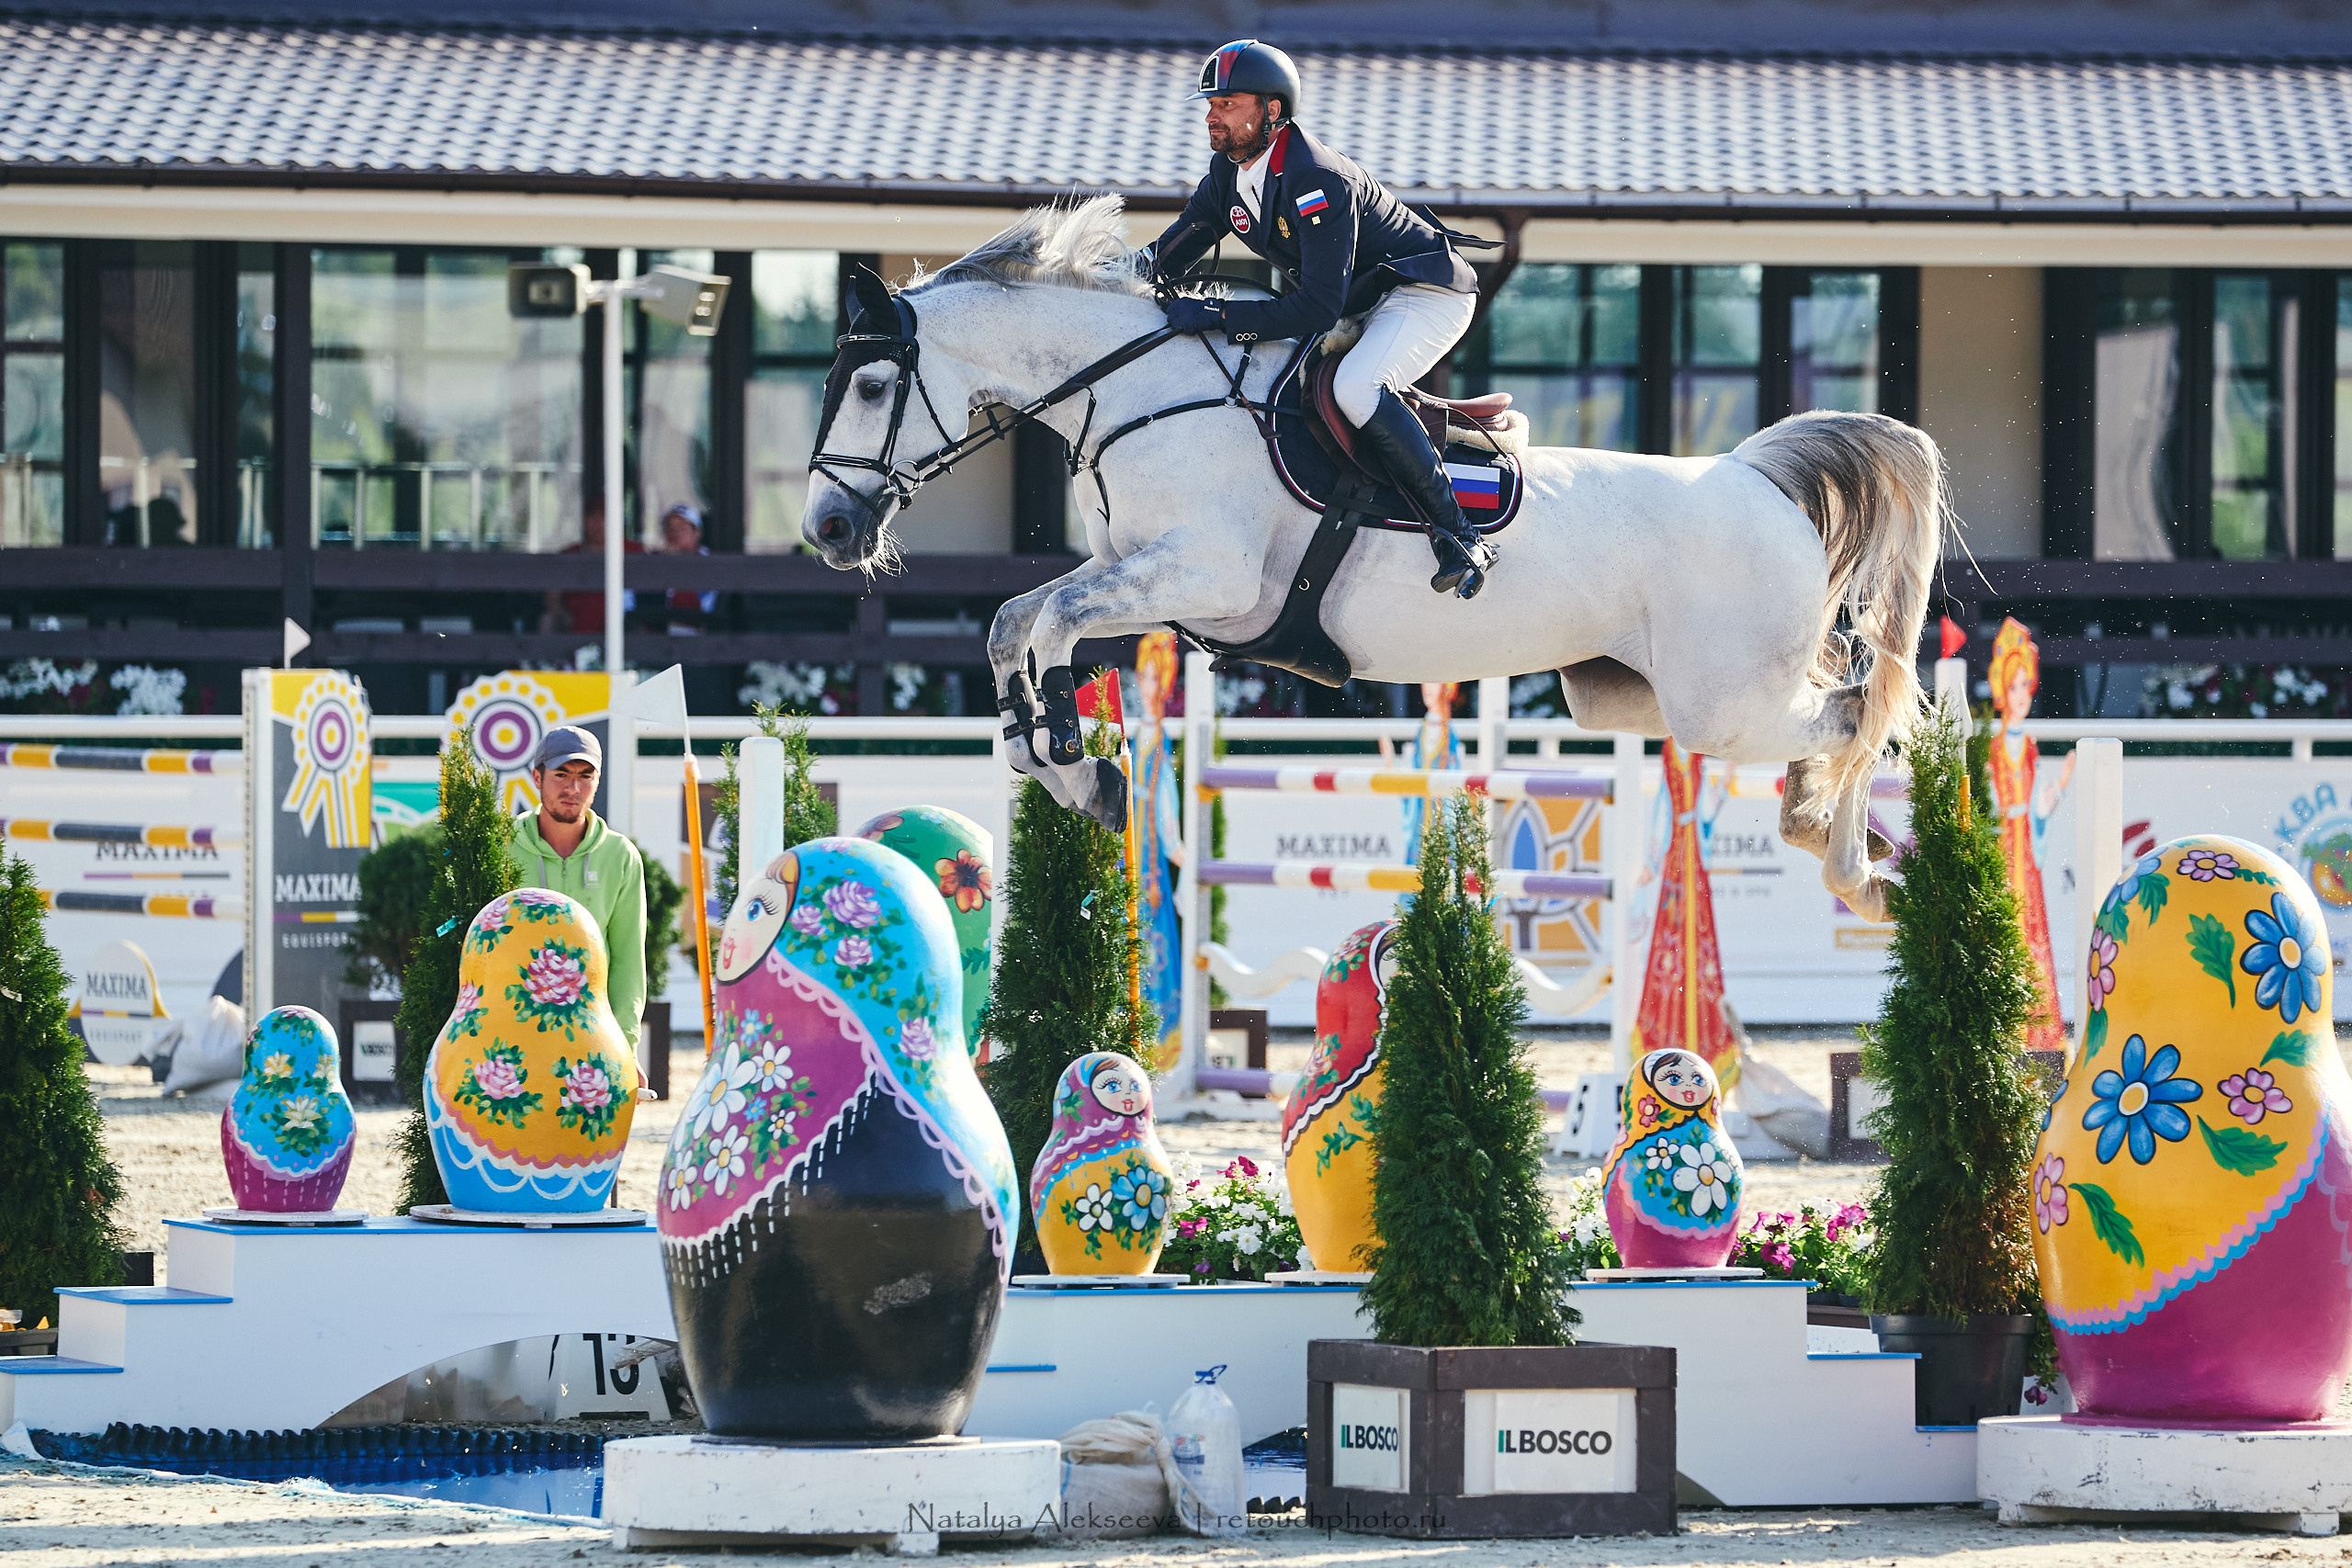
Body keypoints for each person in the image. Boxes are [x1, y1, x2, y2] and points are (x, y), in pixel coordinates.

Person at [1145, 39, 1497, 600]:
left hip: (1425, 294)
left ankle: (1458, 534)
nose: (1211, 114)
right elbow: (1161, 259)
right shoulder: (1225, 175)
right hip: (1363, 303)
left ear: (1273, 111)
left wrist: (1212, 313)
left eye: (1228, 103)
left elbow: (1315, 308)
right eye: (1210, 103)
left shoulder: (1317, 179)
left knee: (1358, 387)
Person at [510, 725, 649, 1055]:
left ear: (597, 782)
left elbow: (628, 959)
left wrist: (625, 1047)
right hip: (511, 1030)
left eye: (586, 776)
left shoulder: (621, 855)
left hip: (591, 1033)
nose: (573, 787)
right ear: (537, 778)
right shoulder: (500, 844)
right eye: (561, 774)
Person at [544, 498, 642, 636]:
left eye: (603, 517)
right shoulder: (569, 554)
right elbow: (553, 597)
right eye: (591, 517)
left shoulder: (634, 550)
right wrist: (564, 617)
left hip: (623, 628)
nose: (597, 524)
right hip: (576, 628)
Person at [658, 502, 718, 634]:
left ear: (696, 532)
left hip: (702, 633)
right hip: (664, 634)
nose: (675, 534)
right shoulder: (660, 560)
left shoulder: (709, 561)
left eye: (682, 528)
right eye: (670, 529)